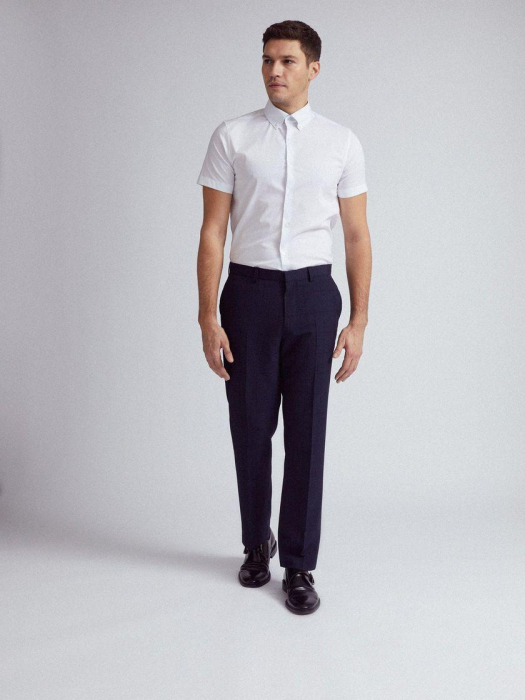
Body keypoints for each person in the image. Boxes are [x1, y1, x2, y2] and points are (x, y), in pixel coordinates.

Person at [196, 20, 372, 615]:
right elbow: (213, 232)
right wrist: (207, 317)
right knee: (250, 429)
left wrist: (359, 322)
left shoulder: (341, 142)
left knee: (307, 433)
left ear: (313, 69)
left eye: (288, 61)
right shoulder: (233, 136)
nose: (275, 70)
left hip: (315, 297)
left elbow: (356, 236)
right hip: (247, 295)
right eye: (268, 60)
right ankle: (256, 544)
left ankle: (298, 563)